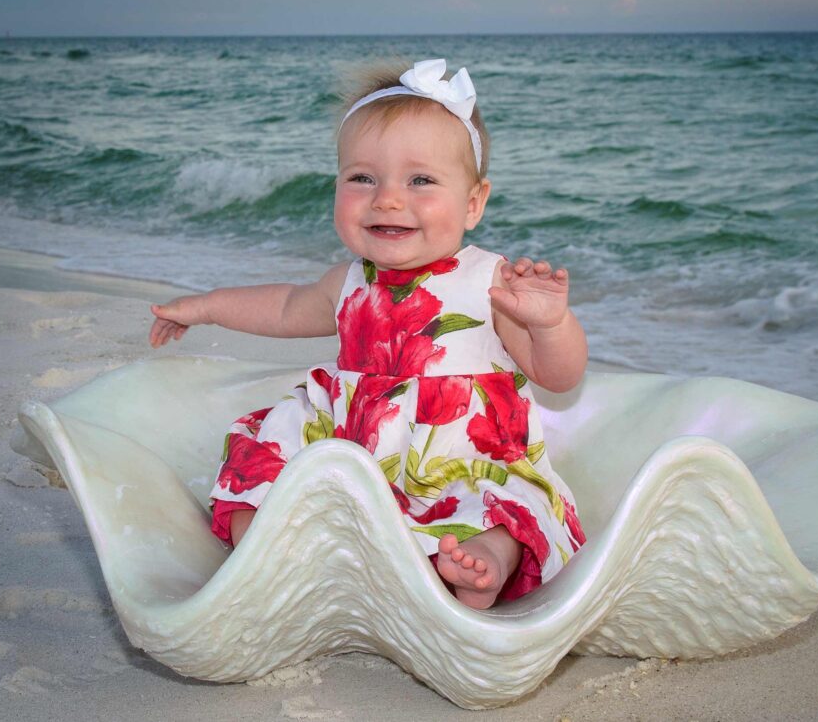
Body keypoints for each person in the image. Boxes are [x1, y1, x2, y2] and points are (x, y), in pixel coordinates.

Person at [148, 58, 587, 610]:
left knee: (504, 503)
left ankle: (484, 564)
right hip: (353, 455)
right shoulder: (349, 280)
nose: (387, 198)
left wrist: (551, 324)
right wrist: (205, 307)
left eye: (420, 180)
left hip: (459, 458)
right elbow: (284, 307)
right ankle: (263, 554)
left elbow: (560, 375)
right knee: (259, 453)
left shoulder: (490, 281)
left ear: (473, 203)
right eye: (362, 178)